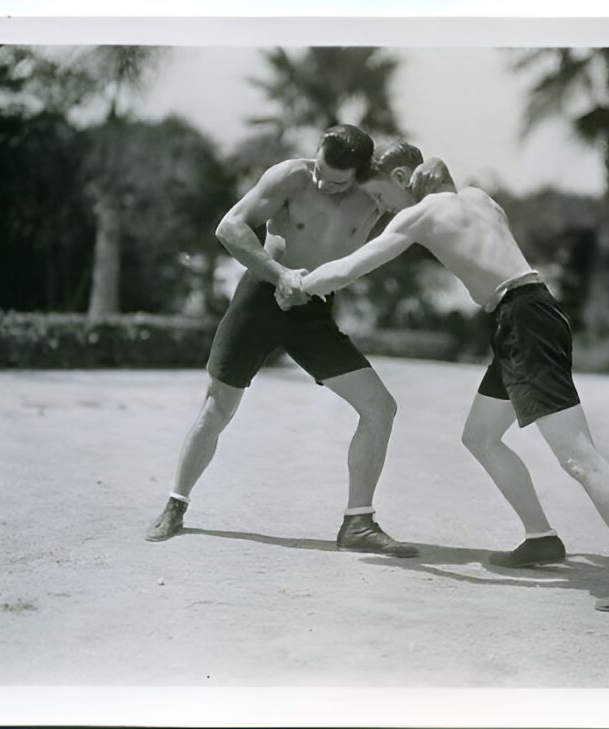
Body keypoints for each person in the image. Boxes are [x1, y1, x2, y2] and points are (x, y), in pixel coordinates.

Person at [291, 141, 609, 611]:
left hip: (524, 322)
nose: (380, 208)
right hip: (530, 312)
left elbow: (350, 269)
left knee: (578, 457)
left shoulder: (417, 215)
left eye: (380, 197)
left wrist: (296, 281)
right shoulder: (479, 198)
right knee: (480, 436)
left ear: (398, 180)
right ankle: (542, 539)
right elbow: (463, 213)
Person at [144, 125, 419, 558]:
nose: (322, 183)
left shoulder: (378, 194)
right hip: (261, 298)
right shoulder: (291, 176)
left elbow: (424, 199)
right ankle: (175, 505)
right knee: (218, 408)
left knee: (380, 408)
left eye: (336, 181)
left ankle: (358, 524)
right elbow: (229, 227)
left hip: (314, 311)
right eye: (320, 170)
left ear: (362, 176)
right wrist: (281, 275)